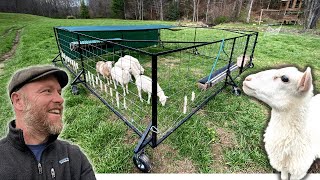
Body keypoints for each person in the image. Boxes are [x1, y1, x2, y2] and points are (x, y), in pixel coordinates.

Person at [0, 65, 96, 180]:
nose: (60, 99)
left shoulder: (74, 157)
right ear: (18, 101)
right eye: (47, 91)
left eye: (59, 92)